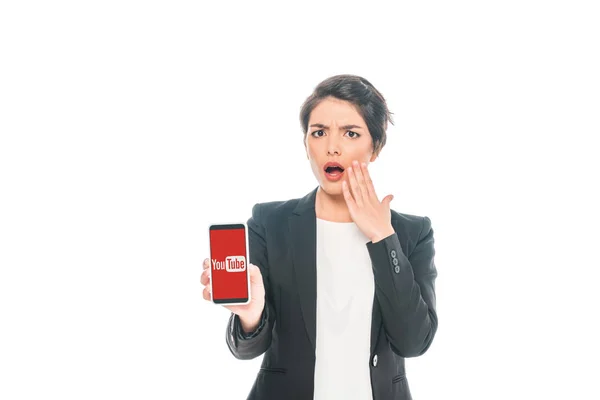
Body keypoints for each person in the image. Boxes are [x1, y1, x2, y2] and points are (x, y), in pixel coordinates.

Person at [200, 74, 438, 400]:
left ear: (376, 147)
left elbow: (414, 342)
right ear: (305, 143)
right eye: (319, 132)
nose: (332, 147)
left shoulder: (412, 233)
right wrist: (251, 314)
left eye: (351, 133)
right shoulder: (270, 223)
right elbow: (246, 350)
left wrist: (383, 236)